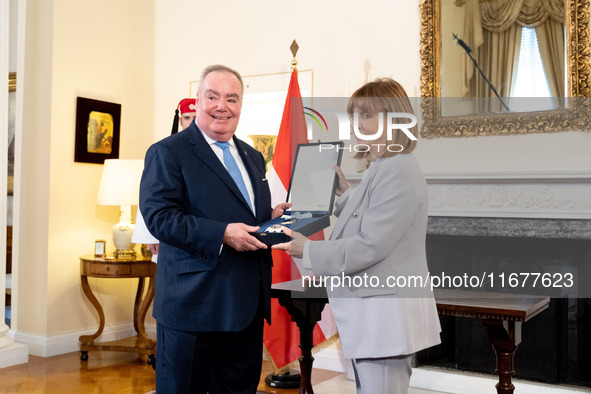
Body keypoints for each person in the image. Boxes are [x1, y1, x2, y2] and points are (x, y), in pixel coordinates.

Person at [273, 78, 441, 394]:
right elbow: (372, 215)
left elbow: (371, 245)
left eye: (366, 115)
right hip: (378, 317)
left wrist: (307, 250)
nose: (356, 124)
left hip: (385, 319)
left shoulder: (396, 168)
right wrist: (343, 192)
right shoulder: (384, 165)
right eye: (355, 116)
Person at [140, 64, 290, 393]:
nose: (222, 105)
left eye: (232, 98)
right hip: (193, 307)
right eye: (213, 96)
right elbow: (160, 217)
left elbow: (244, 215)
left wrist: (271, 216)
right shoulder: (167, 152)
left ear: (240, 105)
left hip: (246, 306)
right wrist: (221, 233)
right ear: (198, 100)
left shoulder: (252, 156)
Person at [132, 98, 196, 261]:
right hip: (169, 228)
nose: (191, 123)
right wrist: (152, 237)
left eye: (195, 118)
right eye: (187, 118)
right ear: (180, 120)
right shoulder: (165, 150)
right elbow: (151, 195)